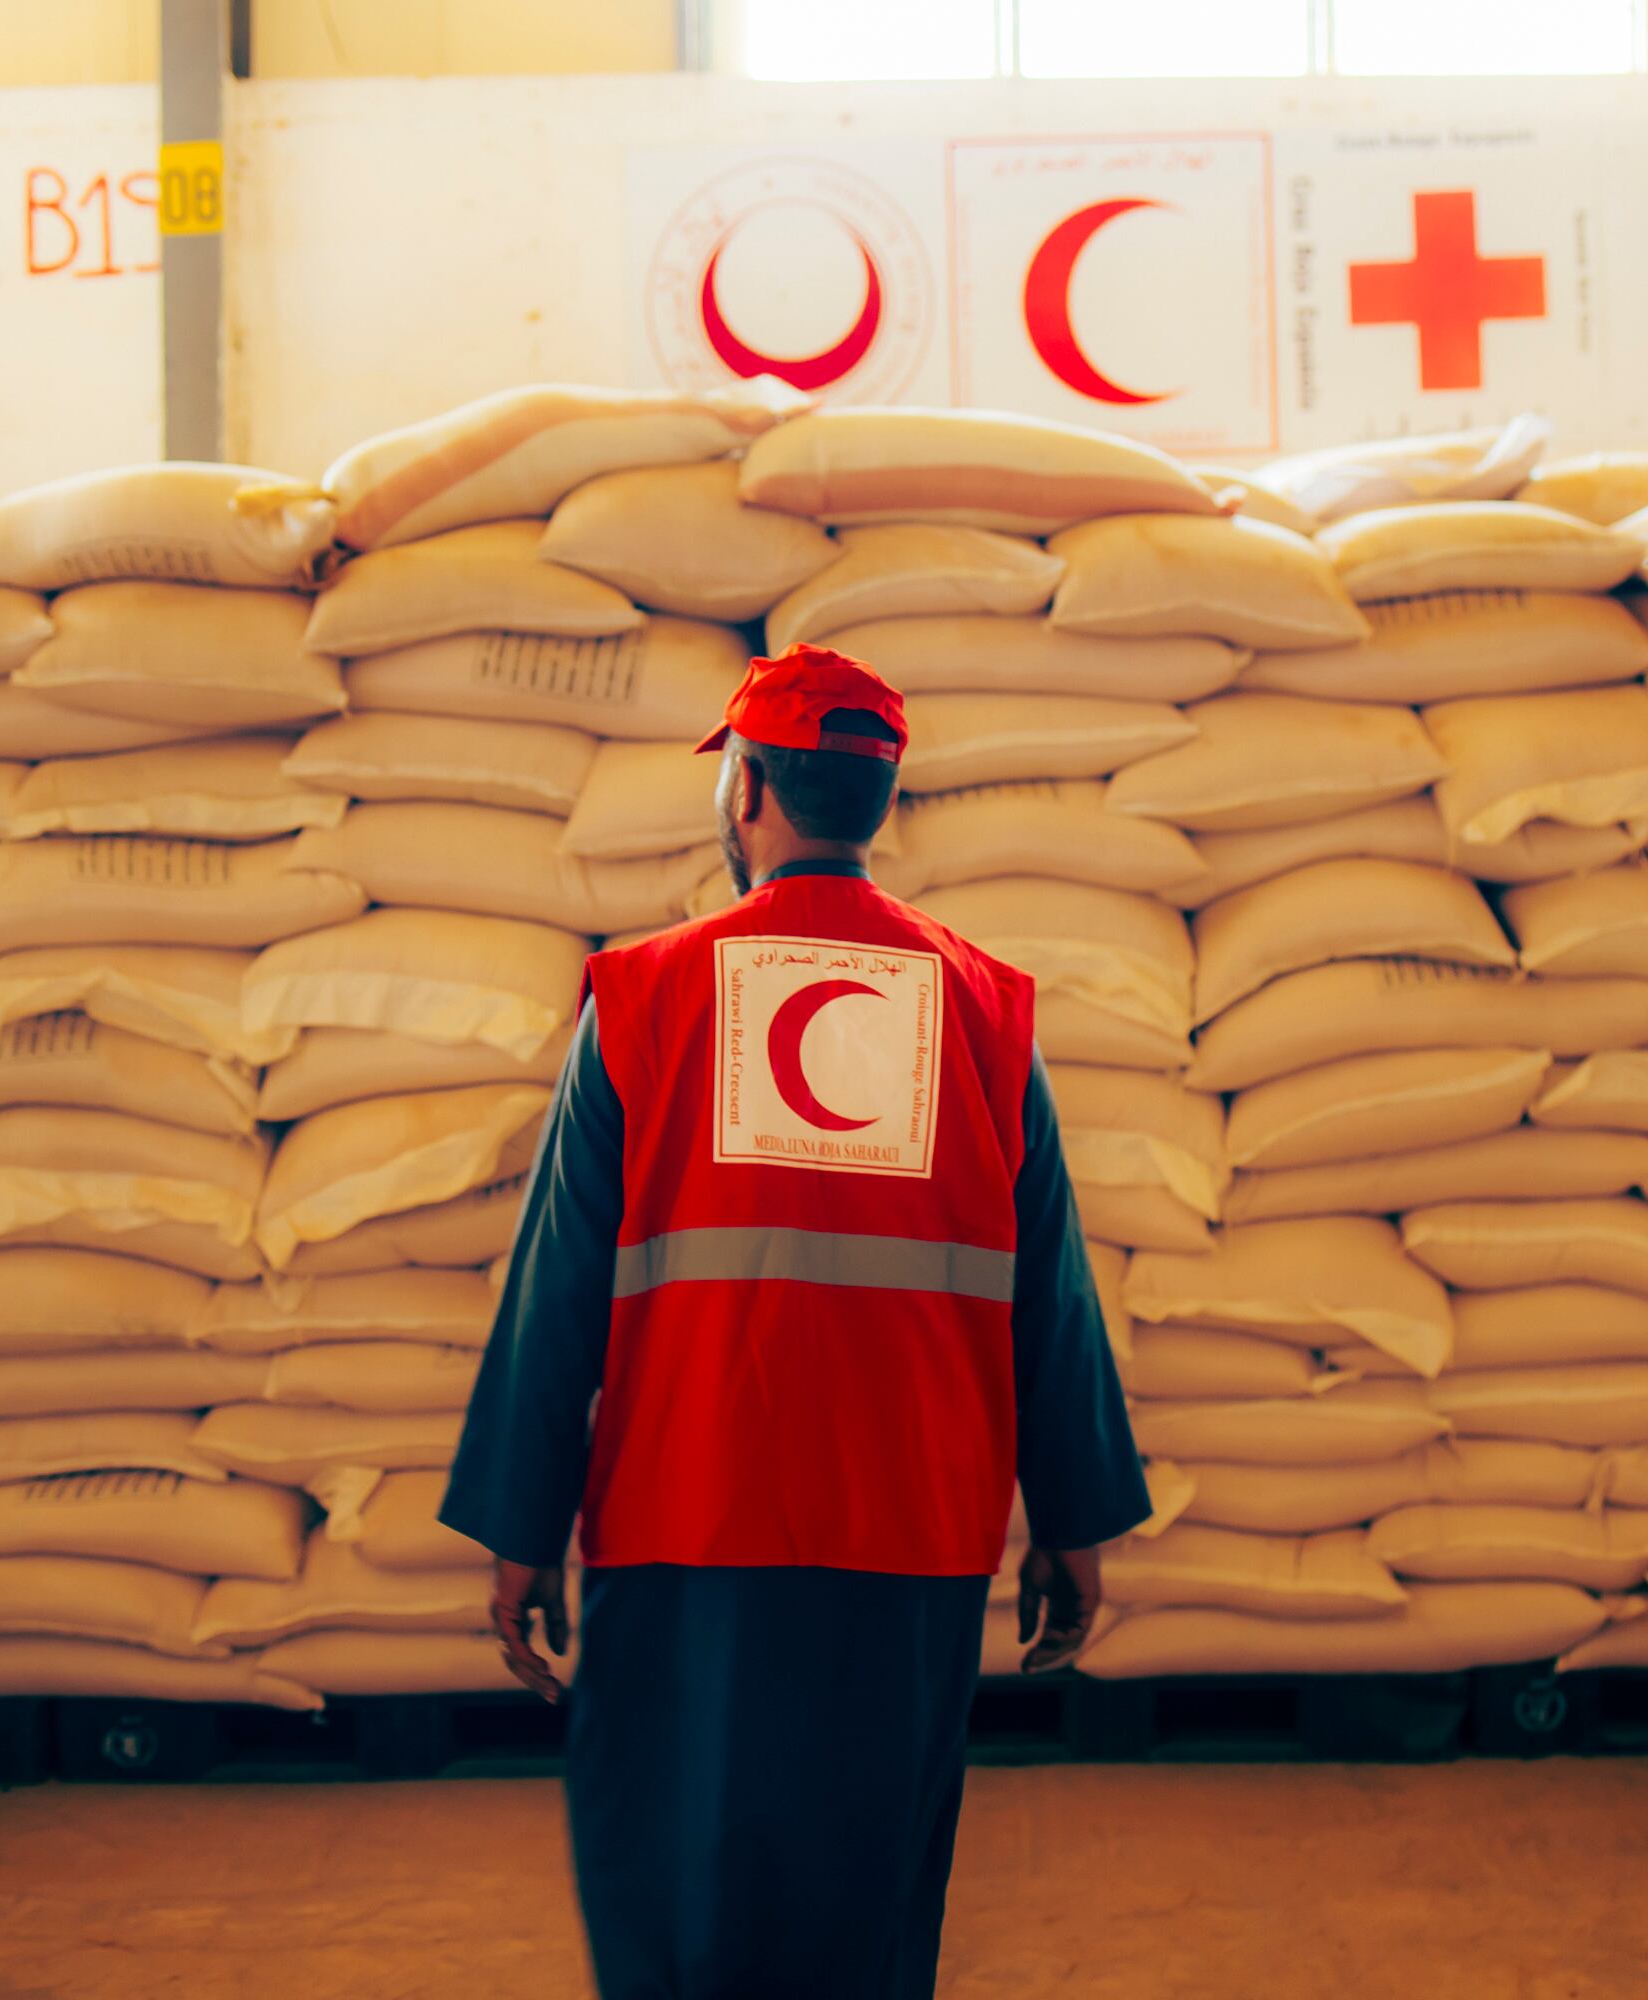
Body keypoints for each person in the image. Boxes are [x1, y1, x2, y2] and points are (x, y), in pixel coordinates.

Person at [440, 641, 1151, 2000]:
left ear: (749, 790)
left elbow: (558, 1284)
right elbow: (1048, 1282)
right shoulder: (984, 1007)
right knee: (867, 1886)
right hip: (914, 1523)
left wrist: (520, 1532)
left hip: (686, 1513)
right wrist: (1071, 1517)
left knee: (678, 1872)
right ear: (876, 800)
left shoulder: (646, 998)